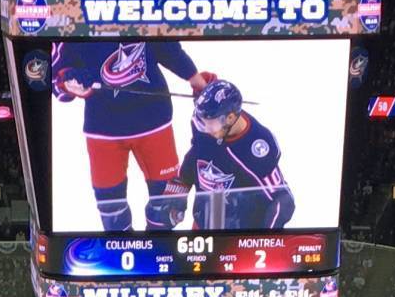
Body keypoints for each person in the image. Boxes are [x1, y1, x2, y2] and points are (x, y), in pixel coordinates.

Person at [49, 38, 203, 230]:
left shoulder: (144, 10)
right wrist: (69, 81)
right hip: (104, 129)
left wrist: (199, 82)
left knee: (169, 203)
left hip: (154, 121)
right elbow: (56, 77)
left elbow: (168, 48)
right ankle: (121, 251)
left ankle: (160, 251)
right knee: (111, 210)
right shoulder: (72, 19)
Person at [174, 79, 295, 230]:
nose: (205, 128)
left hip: (238, 234)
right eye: (202, 121)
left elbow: (283, 201)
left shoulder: (256, 147)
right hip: (206, 222)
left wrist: (264, 240)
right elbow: (198, 152)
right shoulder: (206, 125)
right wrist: (180, 184)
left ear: (230, 118)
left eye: (210, 123)